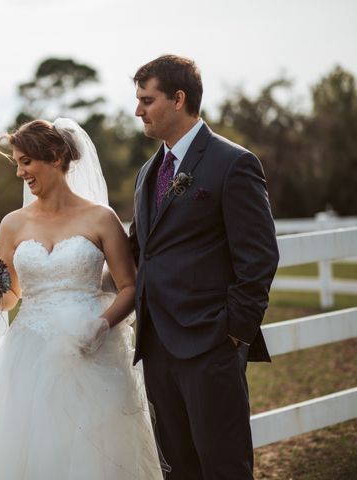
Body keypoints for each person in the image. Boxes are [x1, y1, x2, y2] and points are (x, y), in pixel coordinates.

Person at [0, 118, 165, 479]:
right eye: (16, 162)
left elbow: (130, 287)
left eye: (26, 161)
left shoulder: (100, 218)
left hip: (91, 349)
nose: (20, 173)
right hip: (29, 355)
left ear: (57, 156)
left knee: (94, 454)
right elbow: (13, 294)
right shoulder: (12, 224)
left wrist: (102, 324)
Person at [130, 54, 280, 479]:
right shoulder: (147, 172)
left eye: (147, 99)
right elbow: (140, 249)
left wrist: (232, 333)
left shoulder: (233, 163)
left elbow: (260, 257)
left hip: (211, 346)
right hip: (157, 347)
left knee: (223, 466)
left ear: (179, 99)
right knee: (178, 469)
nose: (138, 110)